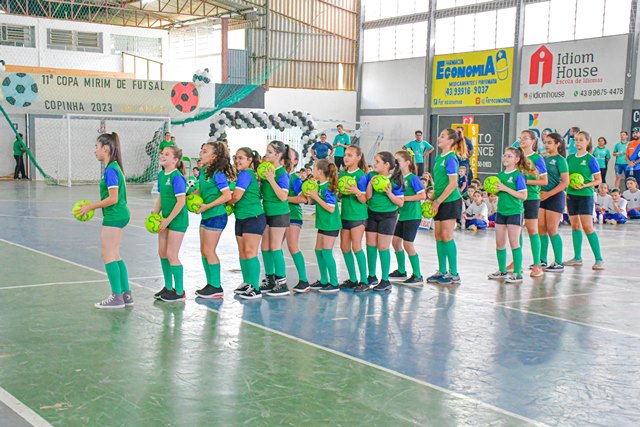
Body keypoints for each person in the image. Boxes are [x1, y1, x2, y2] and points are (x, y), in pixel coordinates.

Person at [78, 133, 131, 309]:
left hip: (114, 215)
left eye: (96, 147)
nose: (95, 150)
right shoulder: (115, 167)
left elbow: (113, 198)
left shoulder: (110, 170)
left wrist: (90, 207)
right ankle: (126, 295)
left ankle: (117, 297)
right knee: (115, 254)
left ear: (105, 148)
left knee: (107, 254)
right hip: (121, 214)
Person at [194, 142, 234, 299]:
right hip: (206, 215)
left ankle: (216, 287)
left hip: (216, 215)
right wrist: (190, 197)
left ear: (214, 157)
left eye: (205, 151)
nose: (201, 153)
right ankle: (210, 284)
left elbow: (227, 195)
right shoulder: (204, 171)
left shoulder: (218, 174)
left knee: (209, 250)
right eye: (201, 150)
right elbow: (201, 189)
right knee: (204, 251)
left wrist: (207, 206)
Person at [487, 147, 533, 284]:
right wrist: (493, 191)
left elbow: (524, 196)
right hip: (501, 212)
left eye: (509, 156)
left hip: (515, 212)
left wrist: (505, 188)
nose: (505, 158)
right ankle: (502, 270)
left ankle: (517, 273)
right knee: (499, 243)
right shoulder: (500, 175)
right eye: (504, 155)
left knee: (514, 243)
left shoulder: (518, 175)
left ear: (517, 159)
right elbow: (499, 192)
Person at [361, 151, 405, 292]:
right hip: (372, 213)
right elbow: (368, 197)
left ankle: (385, 280)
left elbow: (400, 203)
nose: (374, 164)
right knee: (370, 245)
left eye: (377, 162)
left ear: (386, 165)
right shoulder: (371, 176)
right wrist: (370, 184)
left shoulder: (395, 180)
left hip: (388, 216)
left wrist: (389, 193)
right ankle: (371, 276)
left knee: (383, 247)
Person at [428, 129, 467, 285]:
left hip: (450, 201)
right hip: (439, 199)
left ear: (450, 141)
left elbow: (452, 184)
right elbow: (440, 181)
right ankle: (442, 271)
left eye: (443, 136)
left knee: (446, 235)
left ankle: (454, 273)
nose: (439, 138)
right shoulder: (439, 157)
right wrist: (433, 197)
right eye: (440, 135)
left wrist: (438, 201)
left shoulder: (451, 158)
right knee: (438, 235)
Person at [152, 145, 189, 302]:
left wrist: (168, 220)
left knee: (171, 255)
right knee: (162, 253)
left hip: (177, 221)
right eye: (162, 153)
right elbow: (161, 197)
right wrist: (155, 213)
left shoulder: (177, 177)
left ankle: (179, 291)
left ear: (175, 160)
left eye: (167, 154)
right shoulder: (162, 175)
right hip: (165, 219)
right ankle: (168, 287)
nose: (162, 156)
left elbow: (181, 202)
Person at [565, 131, 604, 270]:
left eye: (581, 140)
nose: (578, 142)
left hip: (585, 195)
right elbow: (565, 176)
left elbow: (598, 180)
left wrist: (584, 185)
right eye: (576, 140)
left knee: (588, 226)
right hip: (571, 194)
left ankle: (599, 259)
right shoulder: (569, 158)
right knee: (575, 226)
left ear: (587, 142)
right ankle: (577, 257)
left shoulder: (590, 159)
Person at [232, 148, 266, 300]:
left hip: (253, 217)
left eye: (241, 158)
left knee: (250, 251)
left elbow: (236, 196)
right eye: (236, 158)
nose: (237, 161)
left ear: (249, 160)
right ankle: (247, 283)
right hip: (241, 217)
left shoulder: (246, 174)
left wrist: (223, 201)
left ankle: (255, 288)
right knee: (243, 252)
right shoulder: (242, 174)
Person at [389, 150, 426, 286]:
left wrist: (404, 198)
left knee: (408, 244)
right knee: (395, 242)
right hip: (403, 215)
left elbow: (422, 195)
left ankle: (417, 275)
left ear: (407, 163)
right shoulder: (398, 178)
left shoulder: (413, 178)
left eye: (398, 160)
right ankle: (401, 270)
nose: (396, 163)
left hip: (413, 215)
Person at [259, 140, 292, 296]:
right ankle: (270, 279)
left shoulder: (282, 173)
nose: (266, 154)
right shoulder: (266, 171)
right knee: (264, 247)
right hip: (267, 212)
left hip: (279, 213)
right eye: (267, 151)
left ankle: (282, 283)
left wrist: (271, 179)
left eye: (270, 152)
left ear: (278, 155)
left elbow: (283, 196)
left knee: (275, 247)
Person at [307, 159, 342, 293]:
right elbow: (312, 202)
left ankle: (334, 283)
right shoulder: (318, 185)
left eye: (314, 168)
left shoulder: (328, 187)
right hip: (323, 223)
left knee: (326, 251)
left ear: (320, 171)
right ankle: (323, 280)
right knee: (318, 250)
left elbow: (331, 208)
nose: (313, 171)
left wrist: (316, 197)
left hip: (331, 224)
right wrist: (310, 195)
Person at [338, 145, 369, 290]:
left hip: (358, 216)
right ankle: (352, 279)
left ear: (358, 158)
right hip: (345, 215)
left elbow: (363, 199)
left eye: (350, 155)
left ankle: (364, 281)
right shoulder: (342, 174)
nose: (346, 157)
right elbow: (340, 195)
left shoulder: (361, 175)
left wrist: (356, 191)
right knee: (344, 247)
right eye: (345, 155)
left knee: (356, 247)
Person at [517, 130, 547, 277]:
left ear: (533, 141)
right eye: (520, 138)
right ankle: (517, 263)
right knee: (516, 230)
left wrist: (525, 181)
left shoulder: (537, 159)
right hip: (516, 198)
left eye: (525, 138)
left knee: (532, 230)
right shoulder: (517, 157)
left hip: (531, 197)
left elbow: (544, 181)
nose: (522, 140)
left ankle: (537, 265)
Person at [538, 133, 568, 273]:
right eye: (545, 142)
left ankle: (558, 262)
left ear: (558, 144)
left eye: (550, 142)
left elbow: (565, 182)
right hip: (541, 196)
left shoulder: (560, 160)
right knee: (541, 229)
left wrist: (548, 194)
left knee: (552, 229)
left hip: (555, 197)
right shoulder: (543, 159)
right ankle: (542, 260)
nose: (546, 145)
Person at [287, 149, 311, 293]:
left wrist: (285, 198)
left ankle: (304, 280)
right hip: (278, 215)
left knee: (292, 246)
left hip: (293, 216)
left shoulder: (294, 179)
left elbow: (303, 199)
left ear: (295, 161)